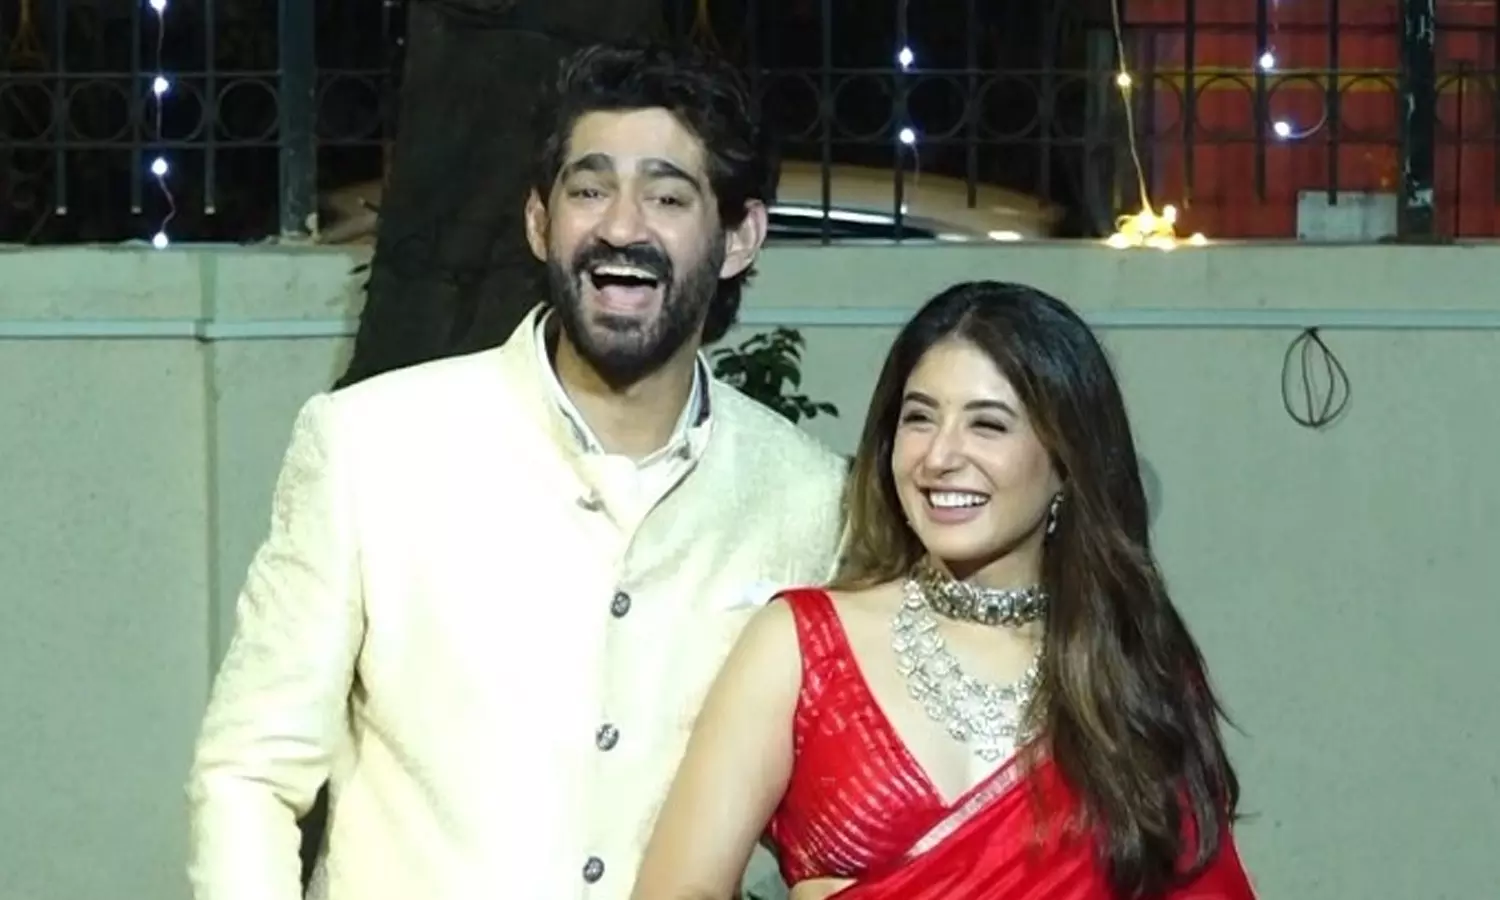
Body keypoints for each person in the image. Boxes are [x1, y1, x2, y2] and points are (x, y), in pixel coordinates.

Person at [186, 42, 847, 900]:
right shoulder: (372, 446)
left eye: (667, 196)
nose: (621, 226)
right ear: (540, 221)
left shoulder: (808, 499)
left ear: (739, 237)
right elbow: (250, 773)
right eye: (589, 189)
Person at [631, 281, 1258, 900]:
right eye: (919, 418)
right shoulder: (802, 648)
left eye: (988, 425)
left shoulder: (1135, 668)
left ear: (1068, 460)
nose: (938, 457)